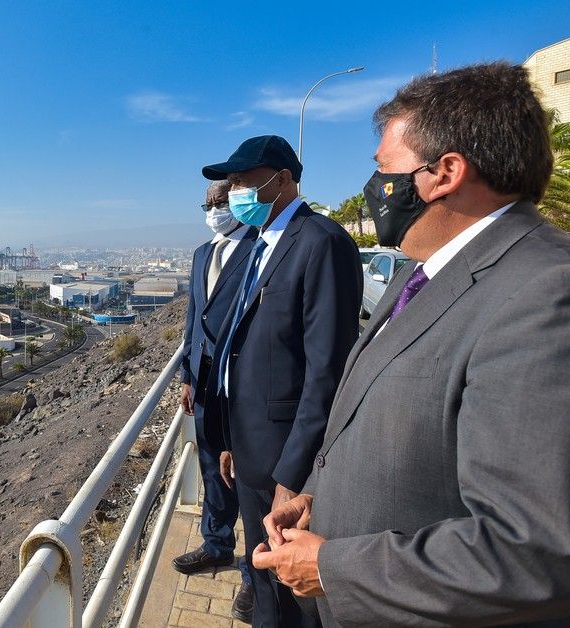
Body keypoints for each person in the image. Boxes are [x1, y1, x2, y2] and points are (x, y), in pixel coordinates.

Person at [253, 62, 570, 626]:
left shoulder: (544, 296)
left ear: (444, 172)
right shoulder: (420, 274)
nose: (374, 189)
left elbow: (530, 550)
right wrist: (320, 496)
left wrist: (333, 567)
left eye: (384, 170)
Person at [203, 135, 362, 626]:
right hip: (250, 450)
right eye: (233, 184)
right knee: (264, 579)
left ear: (283, 180)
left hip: (286, 461)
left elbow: (326, 373)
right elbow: (239, 347)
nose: (236, 193)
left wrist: (292, 476)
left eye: (246, 182)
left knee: (297, 594)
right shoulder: (257, 244)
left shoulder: (322, 242)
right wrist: (230, 440)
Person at [176, 180, 255, 620]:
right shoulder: (203, 253)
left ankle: (255, 575)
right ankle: (217, 543)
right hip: (204, 382)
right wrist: (187, 374)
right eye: (206, 203)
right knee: (211, 465)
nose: (212, 210)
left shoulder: (261, 249)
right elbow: (193, 318)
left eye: (220, 202)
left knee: (252, 473)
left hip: (246, 385)